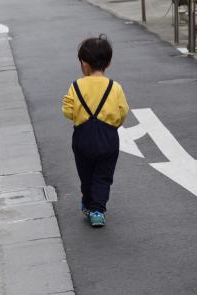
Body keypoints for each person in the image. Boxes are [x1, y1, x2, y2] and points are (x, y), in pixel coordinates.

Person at [62, 35, 129, 227]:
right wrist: (113, 123)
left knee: (86, 174)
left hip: (82, 137)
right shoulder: (114, 87)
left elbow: (67, 110)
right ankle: (98, 210)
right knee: (103, 175)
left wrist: (78, 115)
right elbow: (123, 111)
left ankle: (87, 202)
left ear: (84, 64)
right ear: (108, 63)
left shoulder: (76, 86)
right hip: (108, 137)